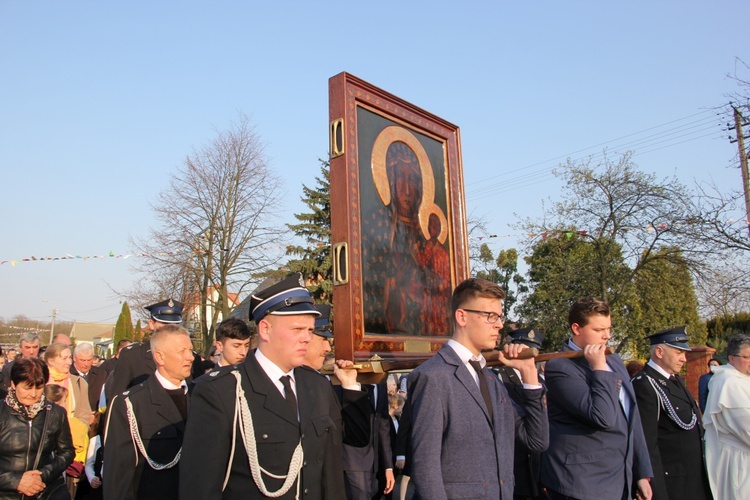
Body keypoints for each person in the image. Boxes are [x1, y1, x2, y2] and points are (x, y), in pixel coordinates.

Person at [179, 273, 346, 500]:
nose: (307, 338)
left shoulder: (317, 386)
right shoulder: (221, 391)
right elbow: (200, 487)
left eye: (309, 330)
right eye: (297, 329)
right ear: (265, 329)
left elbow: (331, 475)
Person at [407, 277, 548, 500]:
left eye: (499, 317)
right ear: (462, 316)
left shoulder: (492, 380)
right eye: (490, 316)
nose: (499, 324)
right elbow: (425, 466)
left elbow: (536, 441)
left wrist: (529, 375)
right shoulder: (433, 376)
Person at [539, 297, 652, 500]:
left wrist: (641, 472)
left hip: (619, 477)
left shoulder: (615, 361)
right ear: (576, 328)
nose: (606, 336)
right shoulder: (560, 367)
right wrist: (598, 368)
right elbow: (602, 417)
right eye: (599, 330)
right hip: (581, 482)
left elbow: (631, 418)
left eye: (608, 329)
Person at [308, 304, 395, 500]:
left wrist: (387, 465)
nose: (328, 347)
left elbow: (381, 426)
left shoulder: (377, 381)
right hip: (347, 465)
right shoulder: (331, 381)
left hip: (372, 464)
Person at [103, 324, 194, 500]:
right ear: (159, 357)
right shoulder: (131, 403)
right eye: (182, 351)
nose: (190, 357)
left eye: (191, 350)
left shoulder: (201, 396)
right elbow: (119, 474)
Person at [631, 327, 712, 500]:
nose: (684, 359)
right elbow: (646, 443)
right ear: (659, 352)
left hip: (692, 479)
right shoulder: (644, 385)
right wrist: (656, 490)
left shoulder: (673, 380)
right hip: (671, 483)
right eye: (678, 353)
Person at [0, 358, 75, 499]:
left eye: (39, 387)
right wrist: (16, 481)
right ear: (13, 384)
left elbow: (67, 452)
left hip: (45, 491)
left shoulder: (56, 413)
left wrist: (44, 474)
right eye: (27, 388)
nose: (33, 394)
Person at [491, 327, 545, 500]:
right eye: (523, 349)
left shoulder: (541, 380)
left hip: (539, 471)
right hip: (514, 467)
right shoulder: (497, 376)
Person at [107, 299, 193, 399]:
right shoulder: (132, 356)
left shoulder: (191, 358)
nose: (170, 330)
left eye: (175, 326)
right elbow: (117, 399)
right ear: (151, 324)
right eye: (164, 325)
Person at [703, 333, 750, 499]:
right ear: (731, 358)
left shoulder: (743, 378)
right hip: (738, 460)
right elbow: (747, 429)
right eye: (747, 357)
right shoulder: (729, 382)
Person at [45, 342, 92, 426]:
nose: (69, 362)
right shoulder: (40, 381)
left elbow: (85, 415)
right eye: (64, 358)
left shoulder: (79, 383)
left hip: (71, 435)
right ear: (51, 361)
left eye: (69, 358)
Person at [70, 342, 108, 412]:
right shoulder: (68, 374)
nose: (86, 364)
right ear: (74, 358)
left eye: (89, 360)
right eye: (83, 360)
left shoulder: (101, 375)